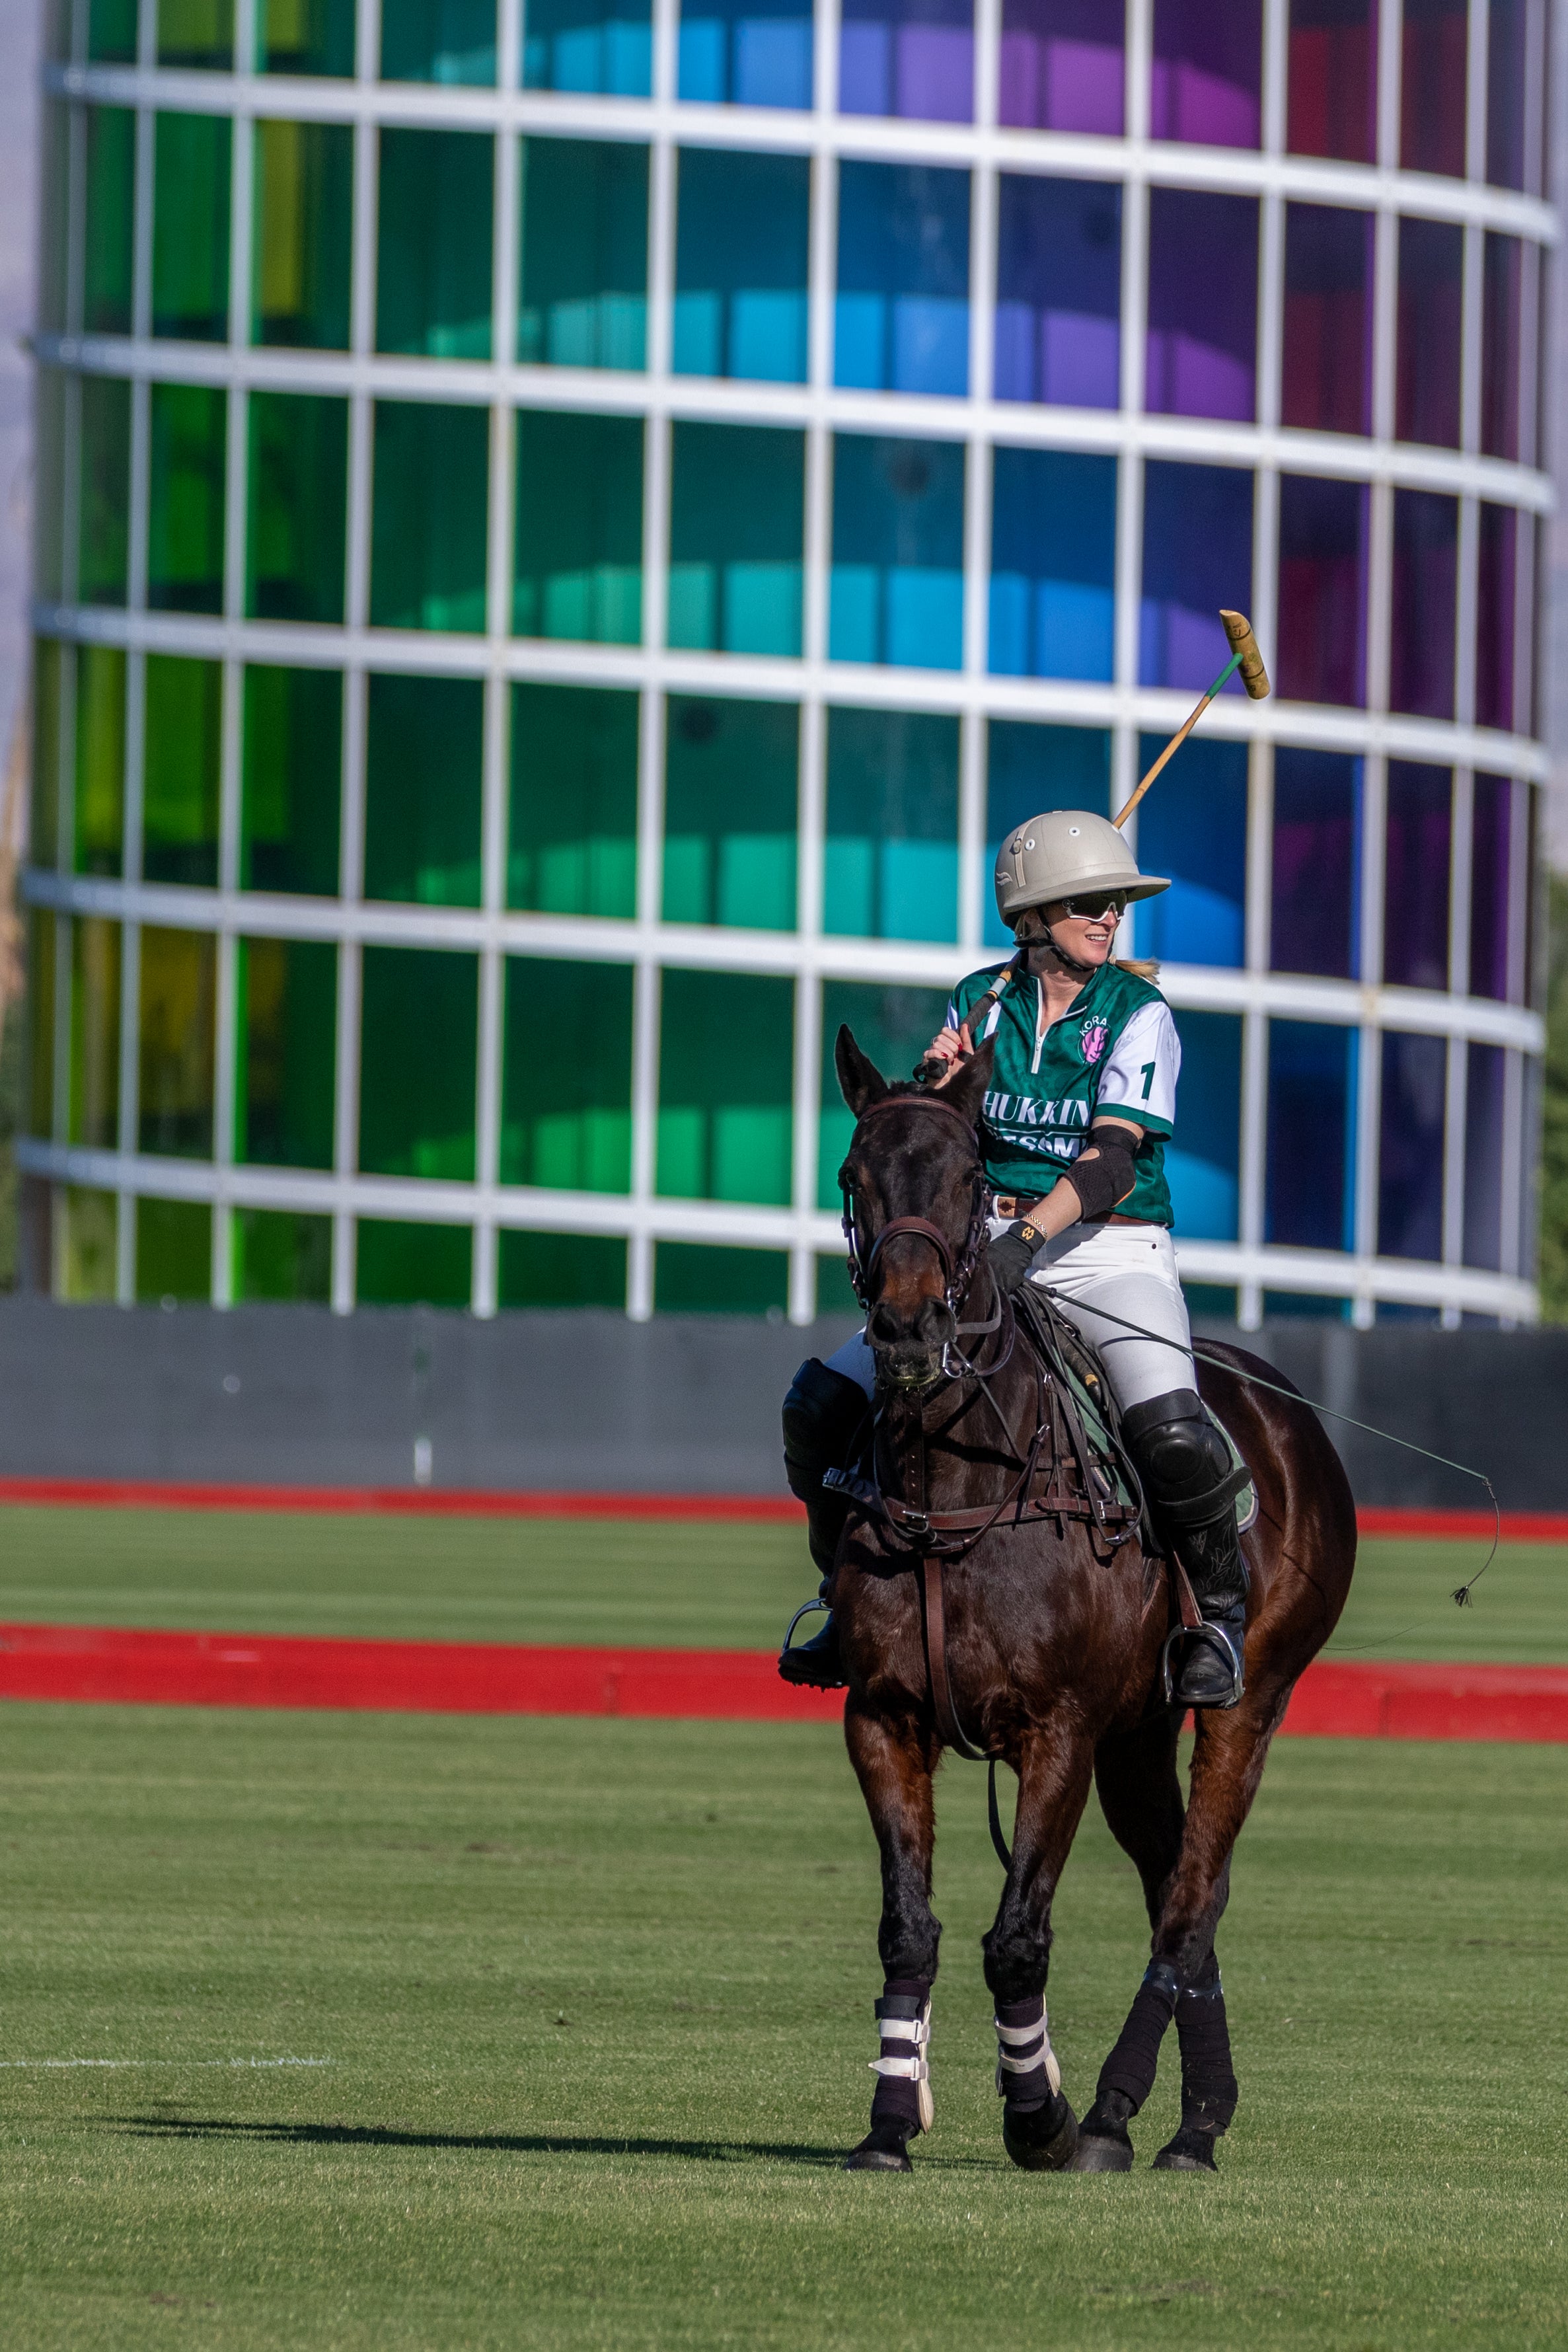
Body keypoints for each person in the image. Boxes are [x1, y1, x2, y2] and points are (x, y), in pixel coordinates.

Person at [779, 808, 1248, 1710]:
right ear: (1032, 918)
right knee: (819, 1406)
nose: (1109, 917)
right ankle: (841, 1596)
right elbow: (938, 1142)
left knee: (1171, 1432)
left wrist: (1026, 1241)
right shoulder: (981, 1000)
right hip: (983, 1249)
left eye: (1115, 903)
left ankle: (1217, 1618)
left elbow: (1112, 1161)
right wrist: (936, 1087)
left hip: (1107, 1251)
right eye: (1087, 903)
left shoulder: (1137, 1013)